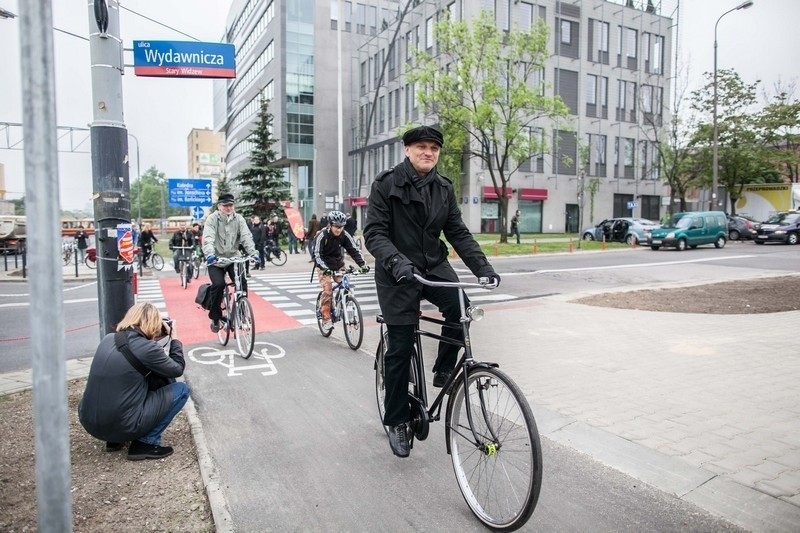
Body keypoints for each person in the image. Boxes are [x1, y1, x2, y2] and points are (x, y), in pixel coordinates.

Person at [364, 125, 501, 458]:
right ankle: (396, 418)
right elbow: (374, 233)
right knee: (400, 344)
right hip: (397, 272)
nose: (428, 153)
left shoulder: (443, 188)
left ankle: (442, 369)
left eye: (434, 148)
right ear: (408, 150)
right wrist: (397, 261)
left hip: (432, 265)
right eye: (421, 147)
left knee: (461, 307)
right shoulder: (386, 184)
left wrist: (483, 269)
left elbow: (457, 232)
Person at [78, 302, 190, 460]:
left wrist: (152, 338)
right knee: (181, 390)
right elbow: (177, 369)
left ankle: (114, 442)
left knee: (126, 383)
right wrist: (175, 339)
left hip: (89, 421)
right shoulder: (147, 348)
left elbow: (136, 356)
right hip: (120, 424)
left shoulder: (109, 339)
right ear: (153, 323)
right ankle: (145, 443)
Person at [202, 194, 260, 332]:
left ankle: (242, 315)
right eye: (225, 205)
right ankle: (215, 317)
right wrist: (210, 253)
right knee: (219, 285)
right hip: (216, 259)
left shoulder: (239, 219)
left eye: (231, 205)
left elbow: (246, 236)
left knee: (242, 283)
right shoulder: (212, 219)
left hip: (233, 258)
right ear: (219, 207)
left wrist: (253, 253)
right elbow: (208, 237)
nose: (228, 208)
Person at [312, 210, 369, 329]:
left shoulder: (344, 235)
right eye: (336, 227)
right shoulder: (322, 236)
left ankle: (344, 305)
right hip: (324, 266)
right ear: (330, 225)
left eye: (341, 227)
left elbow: (353, 250)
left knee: (345, 285)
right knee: (328, 290)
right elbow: (317, 255)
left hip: (338, 265)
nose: (339, 229)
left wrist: (363, 265)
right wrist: (324, 268)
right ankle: (326, 317)